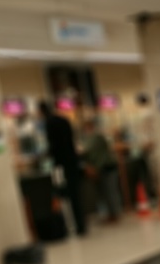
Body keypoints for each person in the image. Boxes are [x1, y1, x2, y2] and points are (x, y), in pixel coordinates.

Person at [39, 101, 87, 236]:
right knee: (75, 195)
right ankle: (81, 225)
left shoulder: (49, 123)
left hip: (61, 165)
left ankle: (69, 226)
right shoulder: (64, 120)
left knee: (63, 194)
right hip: (72, 161)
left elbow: (53, 145)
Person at [81, 117, 122, 224]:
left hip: (106, 168)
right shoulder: (90, 139)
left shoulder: (96, 137)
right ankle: (110, 214)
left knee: (110, 192)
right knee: (105, 193)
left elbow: (90, 152)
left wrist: (95, 168)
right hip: (102, 169)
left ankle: (115, 214)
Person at [124, 93, 158, 205]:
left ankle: (153, 198)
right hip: (147, 148)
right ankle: (153, 198)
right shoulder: (146, 114)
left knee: (150, 176)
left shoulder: (144, 114)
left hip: (148, 148)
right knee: (149, 176)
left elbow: (146, 133)